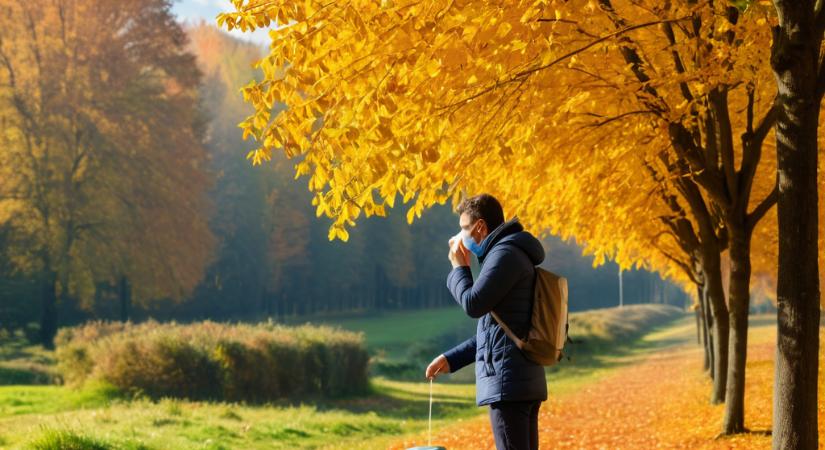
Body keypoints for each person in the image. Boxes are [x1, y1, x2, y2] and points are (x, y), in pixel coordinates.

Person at [425, 193, 547, 450]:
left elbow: (473, 304)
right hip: (519, 379)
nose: (461, 236)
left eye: (463, 228)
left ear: (480, 227)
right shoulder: (510, 253)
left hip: (509, 382)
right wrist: (453, 358)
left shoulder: (505, 254)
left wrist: (459, 267)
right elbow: (496, 331)